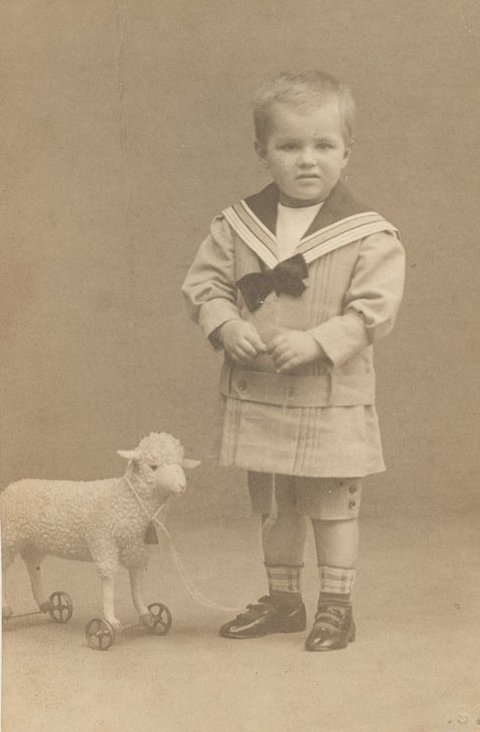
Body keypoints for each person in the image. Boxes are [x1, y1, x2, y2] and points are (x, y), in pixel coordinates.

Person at [181, 70, 405, 652]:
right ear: (263, 152)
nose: (308, 160)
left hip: (329, 397)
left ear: (347, 151)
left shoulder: (369, 234)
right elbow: (204, 288)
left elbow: (374, 309)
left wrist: (319, 340)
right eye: (290, 146)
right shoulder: (236, 225)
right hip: (260, 394)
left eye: (324, 146)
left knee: (331, 506)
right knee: (277, 506)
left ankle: (336, 607)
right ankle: (284, 601)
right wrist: (227, 325)